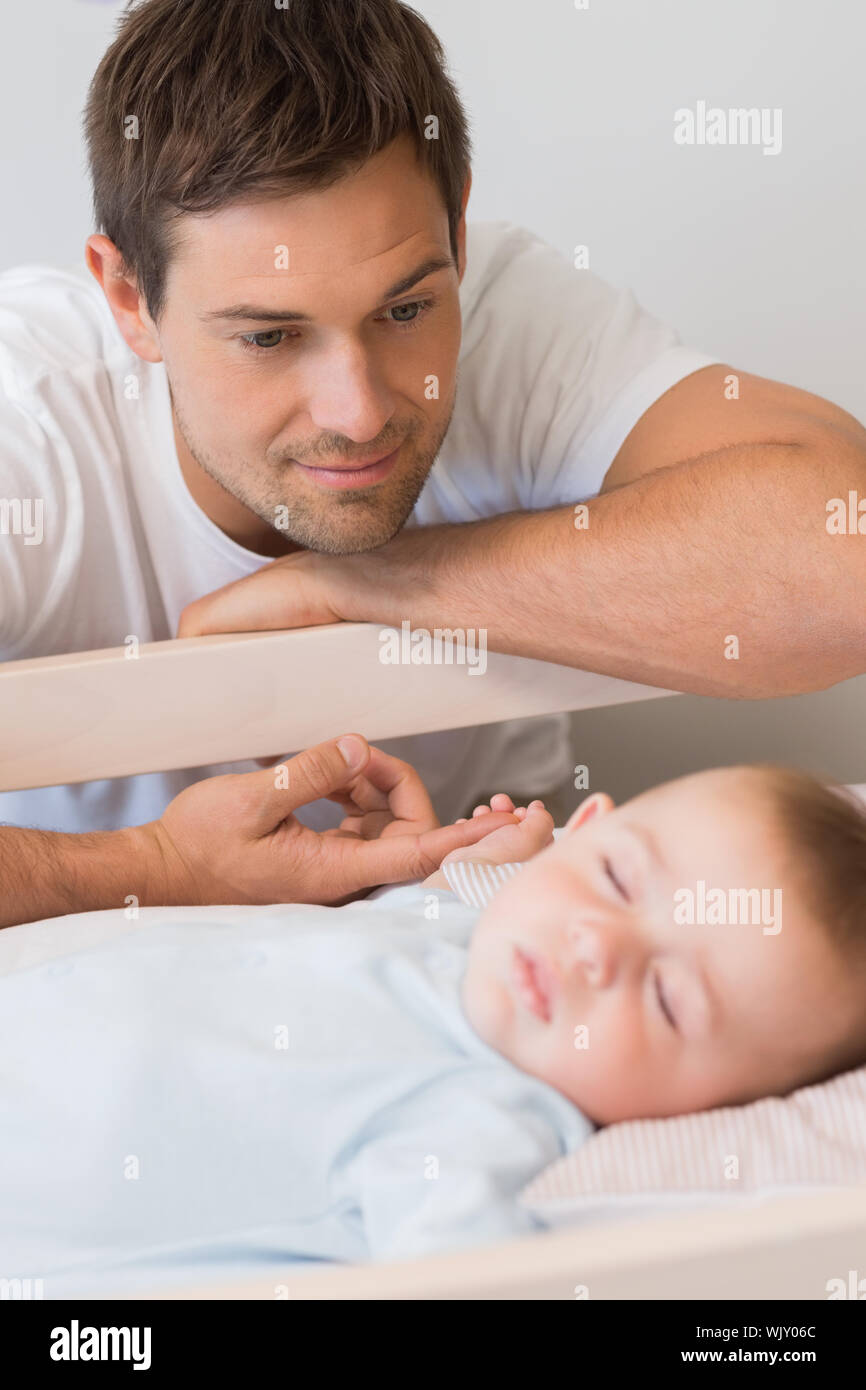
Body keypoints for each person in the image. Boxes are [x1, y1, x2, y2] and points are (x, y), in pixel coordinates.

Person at [2, 0, 865, 925]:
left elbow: (844, 555)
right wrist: (163, 864)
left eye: (405, 312)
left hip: (476, 961)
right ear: (131, 298)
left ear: (455, 233)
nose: (361, 411)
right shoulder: (32, 426)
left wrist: (368, 584)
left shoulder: (512, 315)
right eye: (268, 336)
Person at [2, 758, 864, 1297]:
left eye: (670, 1001)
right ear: (583, 832)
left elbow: (459, 1271)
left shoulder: (479, 1121)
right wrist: (476, 865)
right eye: (616, 880)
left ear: (707, 1109)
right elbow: (442, 900)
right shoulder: (460, 925)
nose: (594, 947)